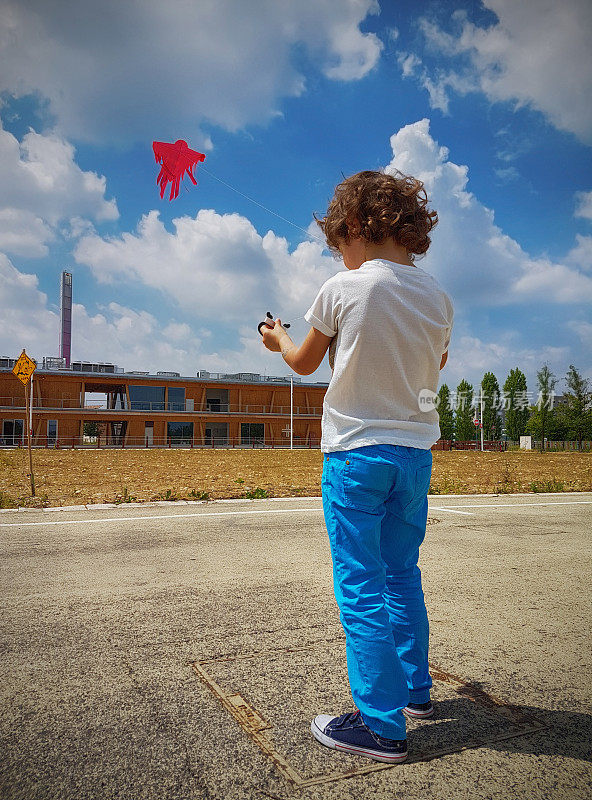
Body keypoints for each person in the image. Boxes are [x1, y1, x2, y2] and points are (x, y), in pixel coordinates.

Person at [261, 169, 454, 764]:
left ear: (354, 228)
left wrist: (277, 337)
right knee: (401, 572)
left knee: (361, 582)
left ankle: (380, 725)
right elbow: (434, 363)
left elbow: (302, 362)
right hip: (414, 456)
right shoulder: (439, 298)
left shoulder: (343, 288)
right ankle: (417, 693)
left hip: (355, 455)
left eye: (336, 241)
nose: (337, 253)